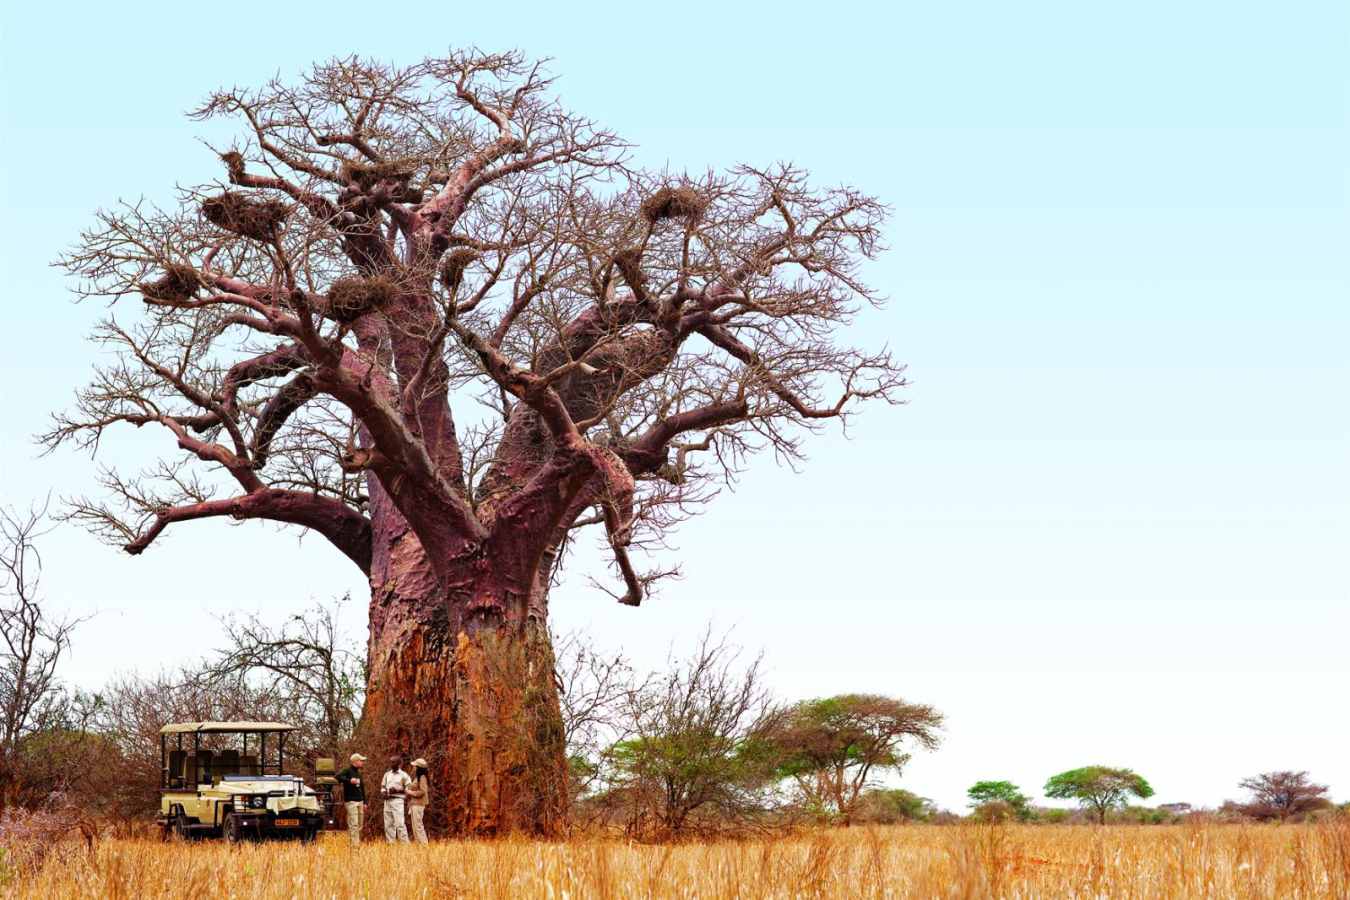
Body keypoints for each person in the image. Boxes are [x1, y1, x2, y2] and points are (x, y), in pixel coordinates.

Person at [336, 752, 367, 847]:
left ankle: (353, 844)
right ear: (355, 761)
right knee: (354, 824)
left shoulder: (359, 773)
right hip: (351, 802)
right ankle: (355, 846)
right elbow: (337, 777)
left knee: (360, 825)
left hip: (360, 801)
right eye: (361, 761)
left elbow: (362, 788)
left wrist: (365, 802)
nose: (362, 762)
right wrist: (349, 781)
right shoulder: (347, 771)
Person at [381, 754, 413, 843]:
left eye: (393, 762)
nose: (391, 764)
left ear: (399, 764)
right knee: (388, 825)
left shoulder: (404, 775)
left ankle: (405, 846)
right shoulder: (387, 774)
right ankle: (391, 845)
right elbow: (383, 786)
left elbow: (409, 789)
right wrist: (383, 792)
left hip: (398, 801)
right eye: (391, 762)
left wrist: (398, 790)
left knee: (400, 824)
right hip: (387, 801)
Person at [405, 757, 431, 844]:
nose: (413, 767)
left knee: (418, 826)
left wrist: (410, 792)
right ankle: (418, 844)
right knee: (415, 826)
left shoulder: (422, 778)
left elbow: (423, 791)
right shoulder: (418, 777)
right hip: (414, 804)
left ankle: (424, 844)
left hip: (418, 805)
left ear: (418, 768)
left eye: (415, 766)